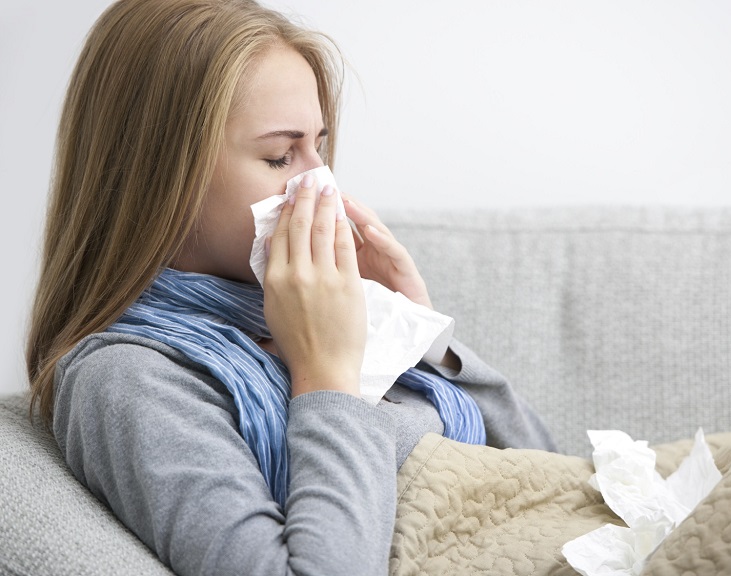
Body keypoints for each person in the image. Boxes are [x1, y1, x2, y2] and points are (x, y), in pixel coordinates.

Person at [26, 0, 556, 574]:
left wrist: (417, 331)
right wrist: (326, 377)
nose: (320, 184)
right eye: (281, 156)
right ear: (161, 178)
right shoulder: (131, 379)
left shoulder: (313, 314)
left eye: (319, 148)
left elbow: (551, 474)